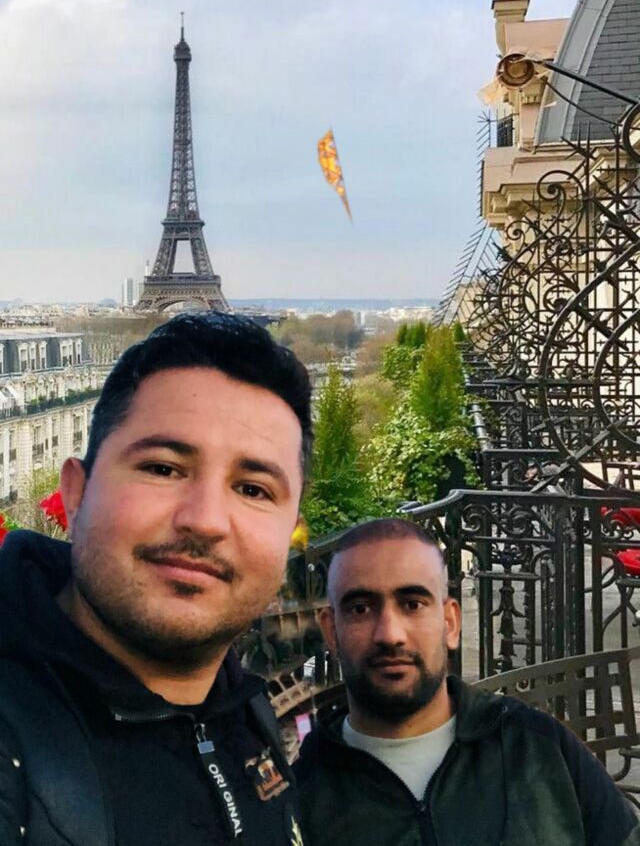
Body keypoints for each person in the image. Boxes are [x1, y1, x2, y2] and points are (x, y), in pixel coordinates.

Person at [0, 312, 312, 846]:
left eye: (253, 489)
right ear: (75, 495)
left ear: (291, 532)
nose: (205, 520)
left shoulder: (242, 707)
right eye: (162, 468)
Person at [295, 518, 640, 846]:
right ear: (331, 631)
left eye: (412, 604)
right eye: (360, 609)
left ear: (450, 623)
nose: (390, 634)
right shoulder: (300, 798)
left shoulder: (538, 748)